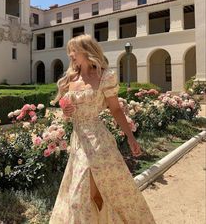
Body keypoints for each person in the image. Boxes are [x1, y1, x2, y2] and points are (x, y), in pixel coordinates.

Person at [49, 34, 156, 223]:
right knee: (79, 196)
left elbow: (115, 109)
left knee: (103, 191)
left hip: (99, 140)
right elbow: (67, 115)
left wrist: (130, 137)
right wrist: (66, 111)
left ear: (87, 51)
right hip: (79, 141)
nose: (71, 54)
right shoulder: (70, 79)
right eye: (69, 51)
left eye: (74, 50)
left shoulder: (105, 77)